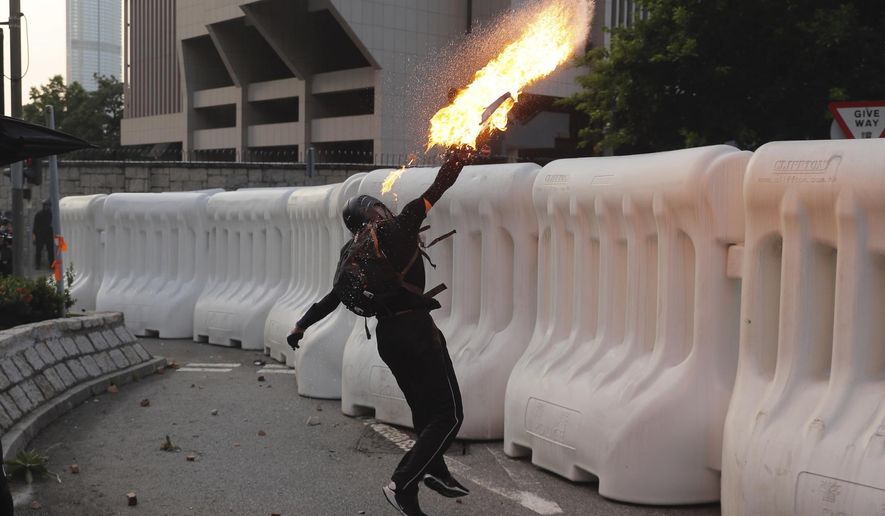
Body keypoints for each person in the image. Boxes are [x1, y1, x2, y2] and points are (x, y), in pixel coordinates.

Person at [289, 148, 473, 516]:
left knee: (425, 412)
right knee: (448, 416)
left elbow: (332, 297)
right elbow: (441, 184)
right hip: (417, 332)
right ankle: (403, 485)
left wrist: (300, 326)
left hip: (390, 337)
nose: (385, 209)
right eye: (379, 206)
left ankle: (435, 472)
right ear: (374, 212)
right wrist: (462, 151)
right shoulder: (398, 228)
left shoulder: (355, 252)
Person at [32, 200, 54, 270]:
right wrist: (34, 237)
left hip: (49, 235)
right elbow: (35, 227)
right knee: (38, 251)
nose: (47, 207)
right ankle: (37, 265)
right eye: (46, 205)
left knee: (51, 251)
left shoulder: (51, 214)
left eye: (48, 206)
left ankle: (52, 265)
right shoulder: (39, 214)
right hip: (40, 236)